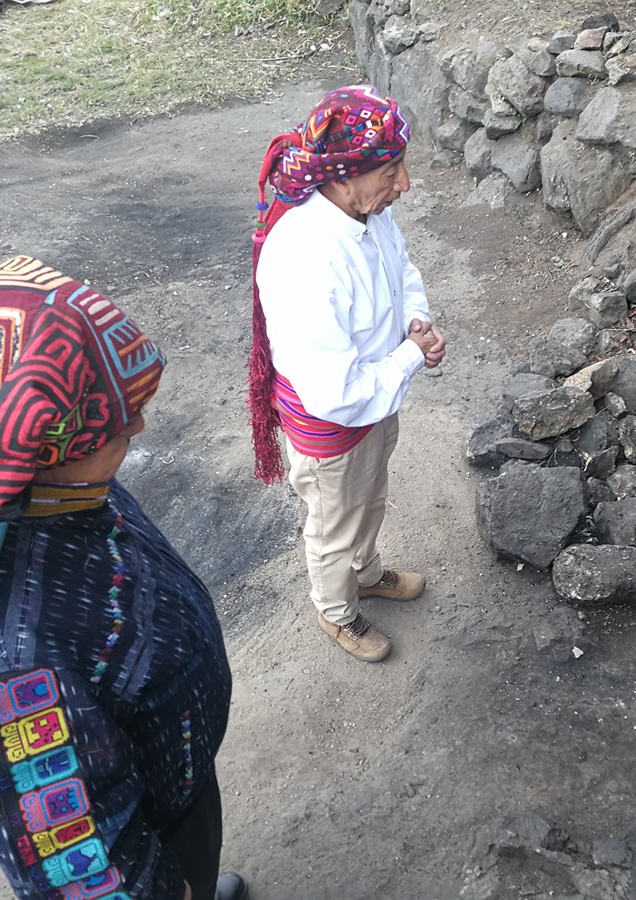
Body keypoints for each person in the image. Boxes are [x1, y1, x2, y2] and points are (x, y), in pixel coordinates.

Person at [0, 257, 248, 900]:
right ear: (26, 453)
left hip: (170, 782)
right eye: (111, 423)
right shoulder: (1, 673)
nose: (137, 425)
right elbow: (85, 868)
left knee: (195, 848)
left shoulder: (51, 493)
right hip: (139, 846)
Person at [247, 85, 447, 663]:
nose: (403, 185)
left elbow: (401, 268)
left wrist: (416, 319)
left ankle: (365, 574)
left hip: (377, 401)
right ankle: (337, 612)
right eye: (391, 170)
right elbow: (336, 394)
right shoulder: (304, 259)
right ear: (342, 176)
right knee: (334, 524)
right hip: (335, 424)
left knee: (371, 497)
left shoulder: (367, 212)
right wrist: (413, 354)